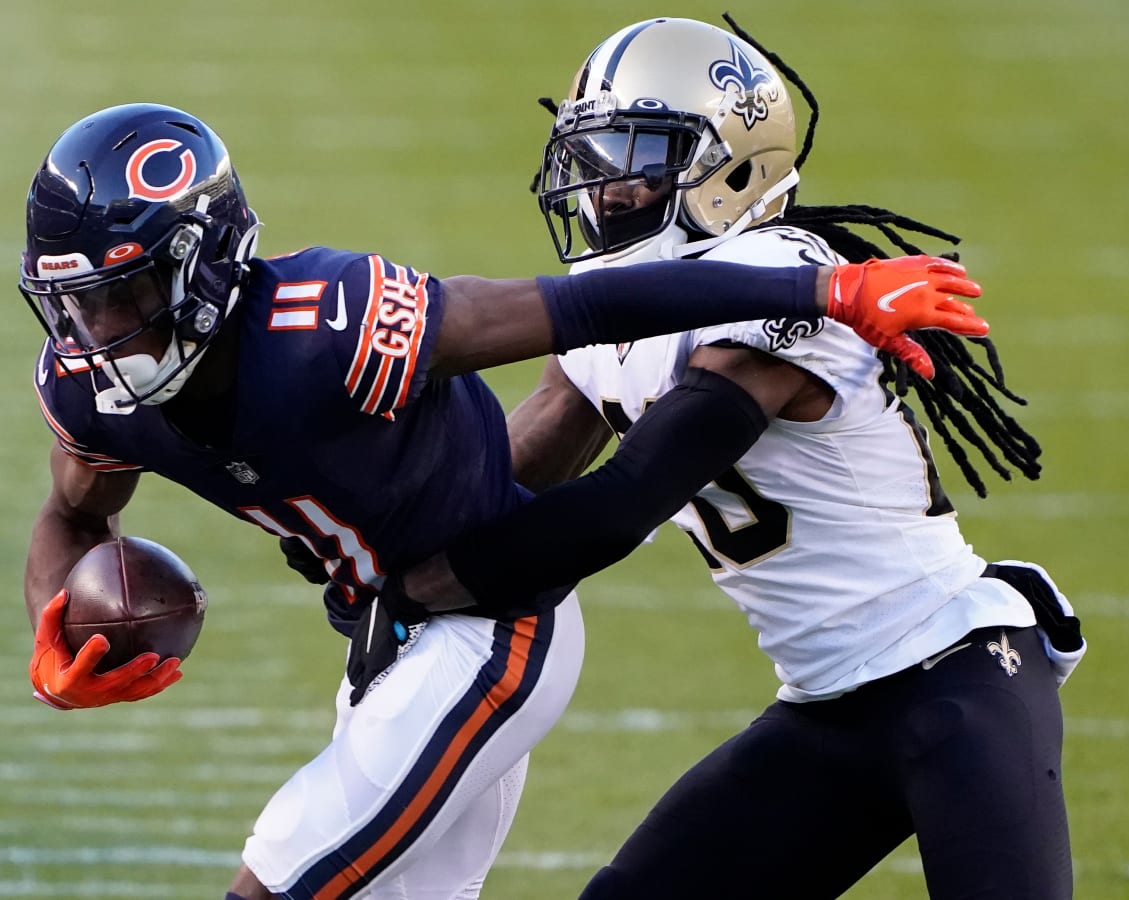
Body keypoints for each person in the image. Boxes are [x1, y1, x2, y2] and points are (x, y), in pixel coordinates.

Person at [17, 104, 986, 899]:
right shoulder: (87, 384)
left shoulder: (332, 322)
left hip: (495, 620)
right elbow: (75, 515)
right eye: (74, 304)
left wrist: (830, 287)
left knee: (283, 873)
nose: (95, 333)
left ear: (202, 264)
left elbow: (585, 308)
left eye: (123, 296)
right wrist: (50, 633)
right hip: (384, 637)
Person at [379, 17, 1087, 899]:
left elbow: (623, 502)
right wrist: (360, 533)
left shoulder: (781, 279)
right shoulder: (609, 308)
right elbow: (497, 487)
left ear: (734, 168)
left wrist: (411, 587)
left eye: (635, 154)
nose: (604, 185)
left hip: (958, 678)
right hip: (827, 707)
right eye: (593, 154)